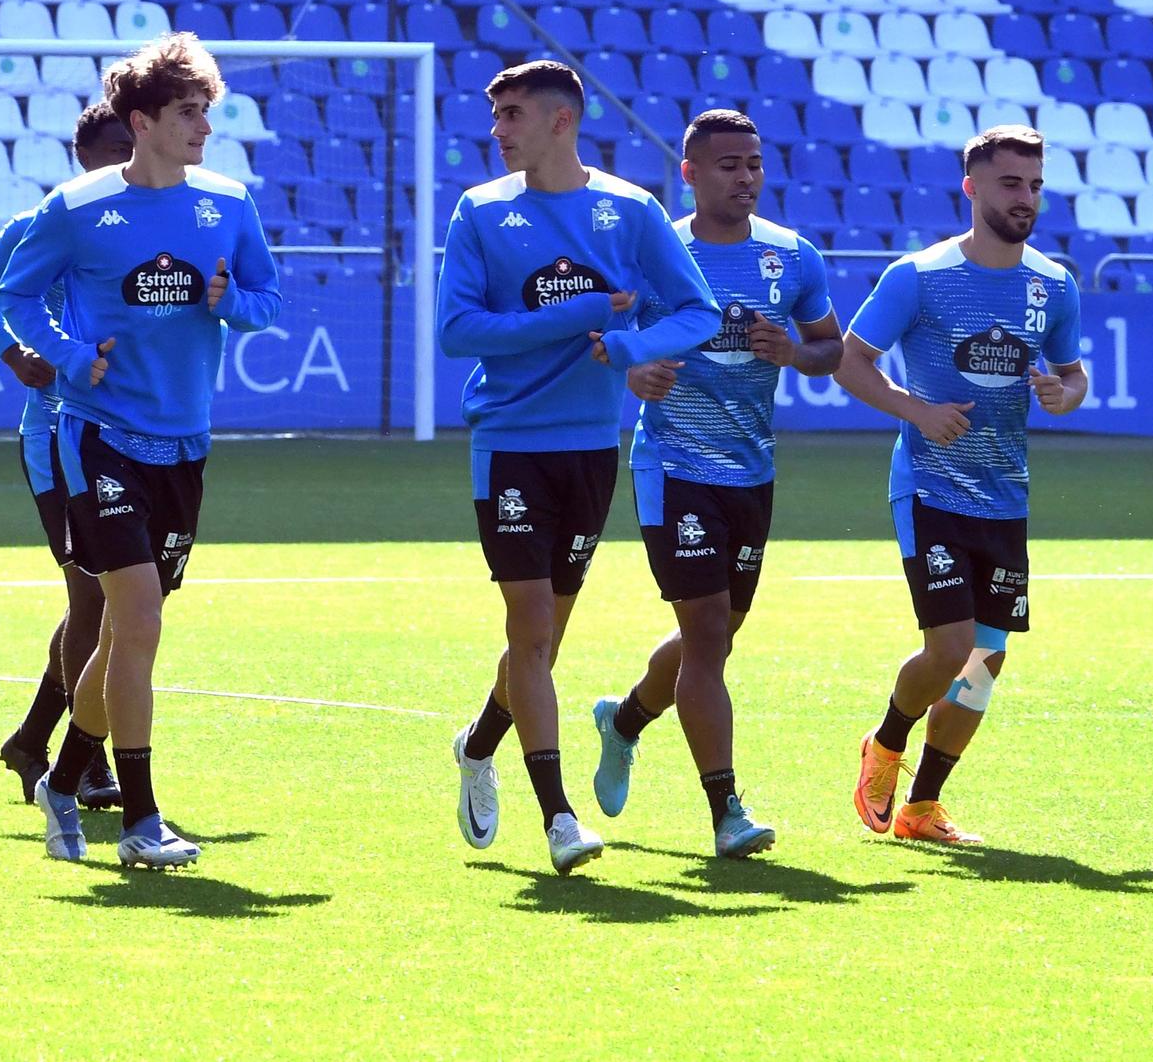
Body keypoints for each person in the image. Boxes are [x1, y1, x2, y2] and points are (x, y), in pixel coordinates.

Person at [0, 34, 281, 869]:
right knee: (140, 621)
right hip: (98, 436)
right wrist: (69, 358)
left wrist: (233, 305)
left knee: (127, 634)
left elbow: (266, 300)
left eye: (207, 112)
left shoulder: (228, 202)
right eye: (189, 113)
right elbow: (13, 294)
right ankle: (141, 819)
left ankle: (62, 781)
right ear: (143, 120)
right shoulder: (78, 207)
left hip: (185, 441)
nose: (203, 127)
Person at [437, 60, 719, 875]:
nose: (497, 131)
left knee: (546, 640)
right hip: (510, 443)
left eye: (512, 115)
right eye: (496, 116)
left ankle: (477, 745)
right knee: (529, 631)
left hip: (593, 449)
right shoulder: (481, 211)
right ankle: (559, 817)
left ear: (563, 121)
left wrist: (632, 346)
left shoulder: (629, 211)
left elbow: (697, 311)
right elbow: (459, 331)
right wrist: (584, 314)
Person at [589, 109, 843, 858]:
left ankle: (625, 720)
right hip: (673, 466)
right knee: (707, 640)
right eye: (729, 165)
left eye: (755, 164)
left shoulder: (792, 257)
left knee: (719, 634)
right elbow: (602, 338)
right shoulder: (657, 249)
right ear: (691, 173)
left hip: (752, 469)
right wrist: (634, 367)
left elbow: (832, 347)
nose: (746, 178)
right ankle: (726, 807)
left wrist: (795, 353)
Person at [838, 125, 1084, 846]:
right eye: (1011, 184)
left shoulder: (1054, 283)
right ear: (972, 187)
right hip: (929, 486)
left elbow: (1072, 375)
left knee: (988, 659)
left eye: (1035, 185)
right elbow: (852, 361)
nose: (1026, 198)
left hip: (1005, 493)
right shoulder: (920, 276)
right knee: (949, 648)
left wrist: (1065, 394)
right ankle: (884, 745)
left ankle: (921, 808)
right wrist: (917, 410)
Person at [0, 101, 134, 811]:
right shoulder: (52, 219)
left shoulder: (152, 219)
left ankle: (36, 742)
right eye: (114, 145)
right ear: (82, 154)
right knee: (97, 597)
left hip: (125, 431)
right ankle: (82, 762)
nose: (125, 155)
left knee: (109, 600)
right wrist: (11, 353)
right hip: (57, 435)